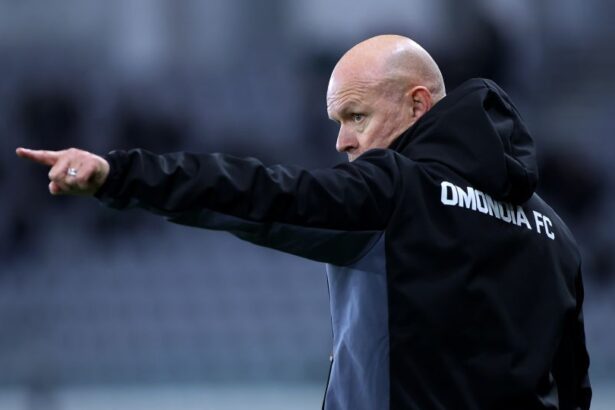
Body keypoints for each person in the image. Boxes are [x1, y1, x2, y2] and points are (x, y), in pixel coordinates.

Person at [16, 35, 591, 410]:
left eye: (356, 116)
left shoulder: (397, 189)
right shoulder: (553, 233)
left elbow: (264, 194)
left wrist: (121, 175)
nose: (342, 141)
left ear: (418, 105)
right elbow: (572, 389)